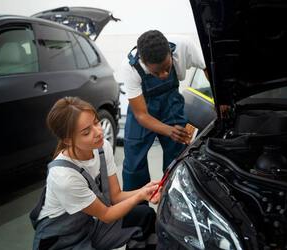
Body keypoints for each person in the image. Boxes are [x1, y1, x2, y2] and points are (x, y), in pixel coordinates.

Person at [30, 97, 161, 250]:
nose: (98, 132)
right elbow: (106, 214)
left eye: (96, 122)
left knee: (144, 216)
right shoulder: (63, 177)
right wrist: (139, 196)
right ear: (67, 140)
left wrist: (145, 191)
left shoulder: (102, 148)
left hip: (89, 227)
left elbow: (116, 196)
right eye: (86, 132)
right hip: (60, 241)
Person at [119, 30, 206, 191]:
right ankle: (138, 211)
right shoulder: (130, 68)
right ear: (144, 62)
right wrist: (168, 130)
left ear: (170, 53)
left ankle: (174, 198)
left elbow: (207, 67)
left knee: (178, 155)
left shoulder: (184, 45)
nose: (164, 74)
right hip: (143, 108)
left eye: (167, 67)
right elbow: (141, 115)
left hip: (171, 103)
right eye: (156, 72)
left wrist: (221, 98)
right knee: (134, 162)